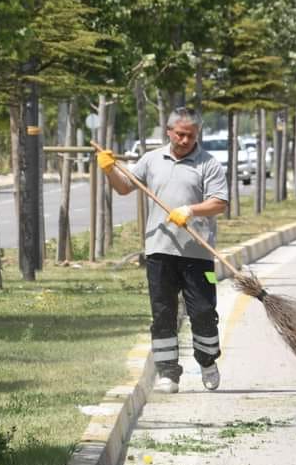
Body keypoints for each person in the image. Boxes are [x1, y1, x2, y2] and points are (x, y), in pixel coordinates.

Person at [97, 108, 229, 393]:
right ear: (169, 131)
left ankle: (207, 361)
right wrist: (109, 169)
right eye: (179, 134)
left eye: (190, 136)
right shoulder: (151, 160)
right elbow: (123, 188)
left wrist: (190, 210)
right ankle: (168, 372)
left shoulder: (208, 164)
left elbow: (220, 203)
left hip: (198, 253)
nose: (184, 140)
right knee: (163, 313)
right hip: (159, 250)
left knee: (204, 312)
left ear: (197, 135)